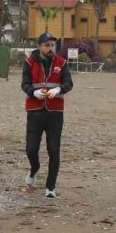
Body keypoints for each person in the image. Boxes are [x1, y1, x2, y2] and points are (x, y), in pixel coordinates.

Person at [22, 32, 73, 198]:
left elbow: (68, 83)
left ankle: (50, 187)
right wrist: (33, 93)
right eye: (47, 45)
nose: (50, 48)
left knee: (53, 149)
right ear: (39, 46)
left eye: (52, 45)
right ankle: (34, 168)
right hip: (35, 111)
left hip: (55, 113)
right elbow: (25, 84)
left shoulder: (62, 63)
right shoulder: (29, 62)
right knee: (31, 148)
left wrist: (58, 89)